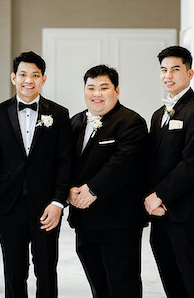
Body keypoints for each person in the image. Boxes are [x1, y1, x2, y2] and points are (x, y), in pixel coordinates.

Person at [0, 51, 73, 298]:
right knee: (13, 271)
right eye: (23, 74)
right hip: (8, 206)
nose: (28, 80)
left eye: (35, 75)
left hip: (46, 206)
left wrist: (58, 202)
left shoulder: (59, 114)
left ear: (44, 79)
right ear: (13, 77)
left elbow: (65, 161)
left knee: (46, 270)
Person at [68, 65, 149, 298]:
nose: (96, 94)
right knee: (98, 287)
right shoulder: (75, 122)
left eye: (104, 88)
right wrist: (68, 191)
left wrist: (92, 190)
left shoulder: (131, 122)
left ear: (117, 91)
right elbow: (65, 161)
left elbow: (123, 164)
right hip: (84, 220)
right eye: (91, 88)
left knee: (123, 286)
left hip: (118, 222)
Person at [144, 46, 194, 298]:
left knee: (191, 276)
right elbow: (152, 162)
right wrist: (150, 199)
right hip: (160, 212)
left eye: (175, 69)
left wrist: (159, 195)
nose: (168, 75)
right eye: (164, 70)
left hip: (186, 212)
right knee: (170, 276)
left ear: (190, 73)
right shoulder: (158, 115)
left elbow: (192, 164)